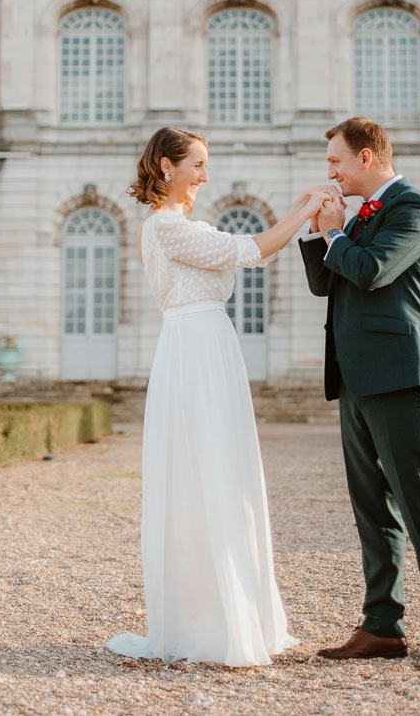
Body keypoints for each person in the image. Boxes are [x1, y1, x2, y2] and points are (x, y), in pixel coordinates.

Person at [109, 126, 339, 665]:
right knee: (202, 474)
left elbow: (246, 250)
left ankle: (236, 610)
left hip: (212, 347)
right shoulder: (164, 228)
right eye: (197, 166)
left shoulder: (186, 227)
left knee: (227, 472)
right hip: (193, 351)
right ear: (168, 168)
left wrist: (298, 211)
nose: (205, 176)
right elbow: (253, 251)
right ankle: (206, 622)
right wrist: (304, 208)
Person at [298, 117, 420, 669]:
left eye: (336, 162)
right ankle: (382, 627)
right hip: (354, 377)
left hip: (402, 379)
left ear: (366, 158)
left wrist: (334, 234)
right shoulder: (358, 218)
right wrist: (319, 230)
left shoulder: (413, 209)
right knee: (371, 508)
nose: (331, 171)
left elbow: (370, 272)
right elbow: (327, 281)